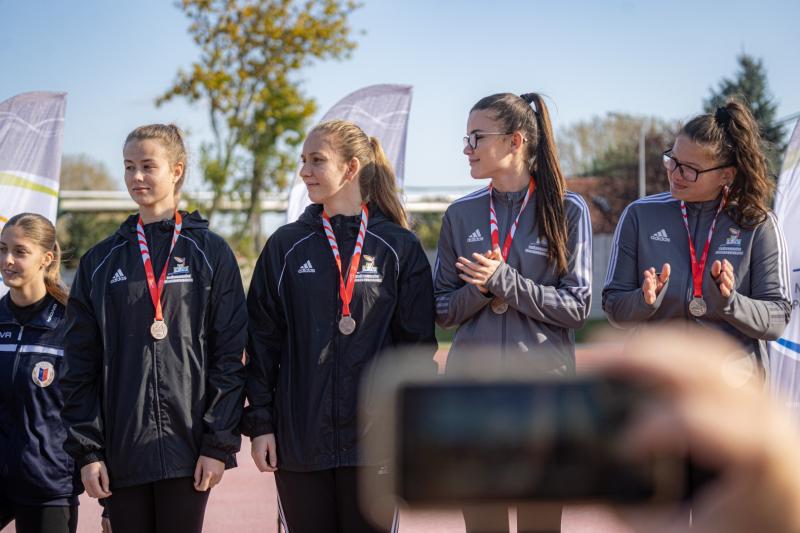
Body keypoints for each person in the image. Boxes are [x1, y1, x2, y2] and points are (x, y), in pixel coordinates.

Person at [243, 119, 436, 533]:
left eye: (316, 161)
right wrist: (261, 425)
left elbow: (417, 351)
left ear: (350, 168)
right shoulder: (286, 246)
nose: (304, 172)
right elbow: (262, 342)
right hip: (300, 444)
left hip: (376, 446)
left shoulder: (398, 247)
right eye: (303, 161)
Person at [60, 124, 248, 533]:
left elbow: (229, 356)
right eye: (129, 167)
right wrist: (89, 452)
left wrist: (217, 444)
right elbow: (79, 364)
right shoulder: (100, 261)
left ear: (177, 170)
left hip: (189, 447)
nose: (136, 178)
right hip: (121, 451)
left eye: (148, 166)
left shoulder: (211, 252)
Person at [434, 92, 592, 532]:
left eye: (476, 137)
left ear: (515, 141)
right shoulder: (460, 214)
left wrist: (505, 282)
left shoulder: (566, 209)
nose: (466, 148)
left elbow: (577, 307)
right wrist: (483, 292)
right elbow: (443, 309)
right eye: (466, 138)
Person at [603, 99, 791, 378]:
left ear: (725, 175)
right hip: (657, 383)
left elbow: (777, 318)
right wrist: (643, 300)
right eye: (673, 160)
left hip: (731, 388)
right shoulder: (639, 215)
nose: (675, 174)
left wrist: (730, 302)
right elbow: (614, 308)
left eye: (690, 169)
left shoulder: (758, 223)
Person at [582, 325, 800, 533]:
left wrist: (728, 302)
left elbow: (774, 318)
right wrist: (649, 300)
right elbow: (617, 304)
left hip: (724, 395)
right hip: (656, 389)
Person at [0, 213, 81, 533]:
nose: (7, 260)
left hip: (49, 485)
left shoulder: (71, 324)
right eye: (2, 248)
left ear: (46, 258)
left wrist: (109, 503)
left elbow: (94, 407)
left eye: (20, 252)